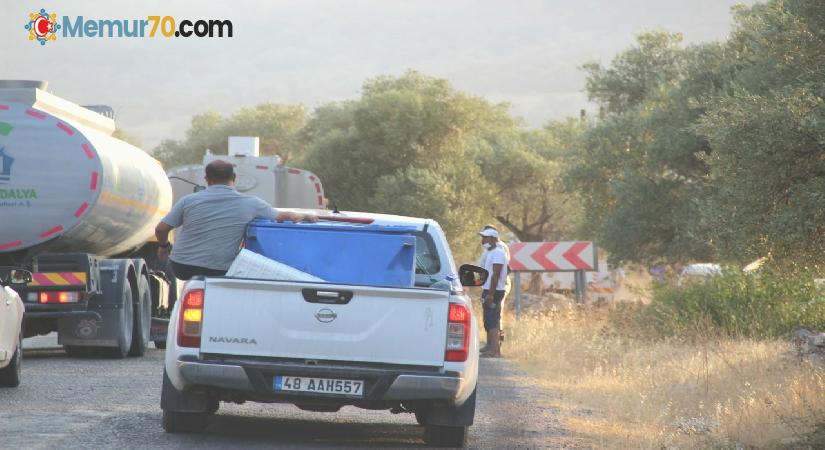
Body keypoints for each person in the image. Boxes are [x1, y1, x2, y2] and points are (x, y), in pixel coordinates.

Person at [154, 160, 317, 280]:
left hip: (181, 267)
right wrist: (306, 216)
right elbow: (286, 217)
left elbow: (161, 229)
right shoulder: (251, 203)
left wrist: (164, 246)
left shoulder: (188, 200)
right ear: (234, 177)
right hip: (218, 269)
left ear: (207, 179)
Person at [477, 224, 510, 353]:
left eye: (484, 238)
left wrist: (490, 295)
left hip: (494, 291)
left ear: (492, 238)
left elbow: (496, 275)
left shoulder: (498, 253)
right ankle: (491, 347)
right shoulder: (491, 252)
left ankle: (495, 350)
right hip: (488, 289)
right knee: (488, 320)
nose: (482, 241)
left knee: (493, 320)